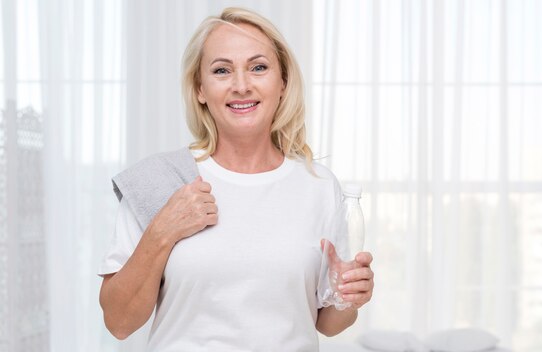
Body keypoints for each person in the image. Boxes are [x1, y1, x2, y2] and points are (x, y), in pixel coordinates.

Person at [98, 7, 374, 351]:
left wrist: (349, 297)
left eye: (258, 67)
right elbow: (119, 322)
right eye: (221, 70)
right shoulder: (161, 179)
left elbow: (327, 323)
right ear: (200, 88)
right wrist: (163, 229)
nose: (241, 85)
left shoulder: (318, 186)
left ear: (283, 83)